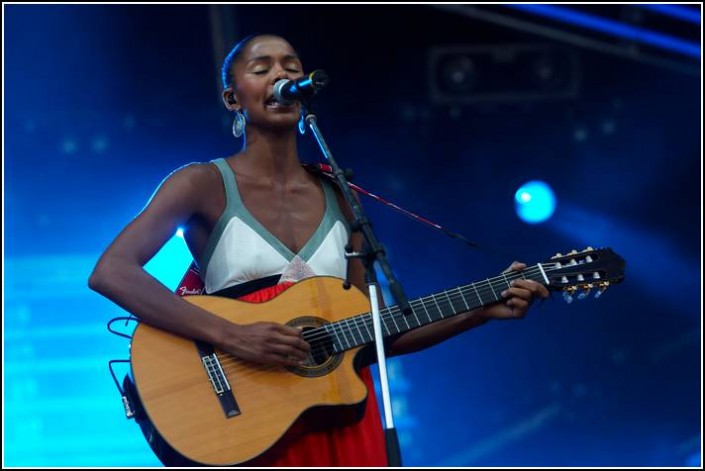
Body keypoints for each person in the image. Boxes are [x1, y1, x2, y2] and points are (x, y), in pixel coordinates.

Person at [88, 33, 549, 467]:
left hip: (342, 414)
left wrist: (481, 310)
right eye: (261, 67)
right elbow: (112, 271)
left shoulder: (341, 196)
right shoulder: (202, 184)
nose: (280, 75)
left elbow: (376, 332)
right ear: (233, 98)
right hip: (257, 416)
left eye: (291, 66)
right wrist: (233, 336)